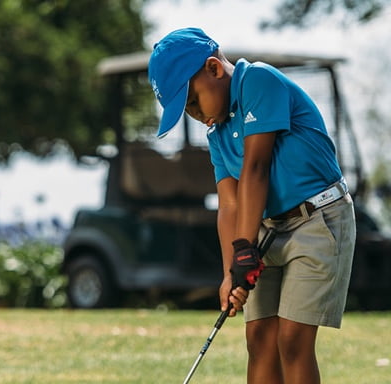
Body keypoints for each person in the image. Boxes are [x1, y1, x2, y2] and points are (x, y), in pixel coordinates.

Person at [148, 28, 356, 383]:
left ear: (213, 69)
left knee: (291, 340)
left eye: (194, 102)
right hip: (264, 231)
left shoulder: (259, 80)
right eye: (188, 111)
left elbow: (255, 169)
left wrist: (244, 251)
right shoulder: (216, 133)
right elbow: (229, 203)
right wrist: (231, 272)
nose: (196, 115)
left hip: (317, 221)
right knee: (259, 338)